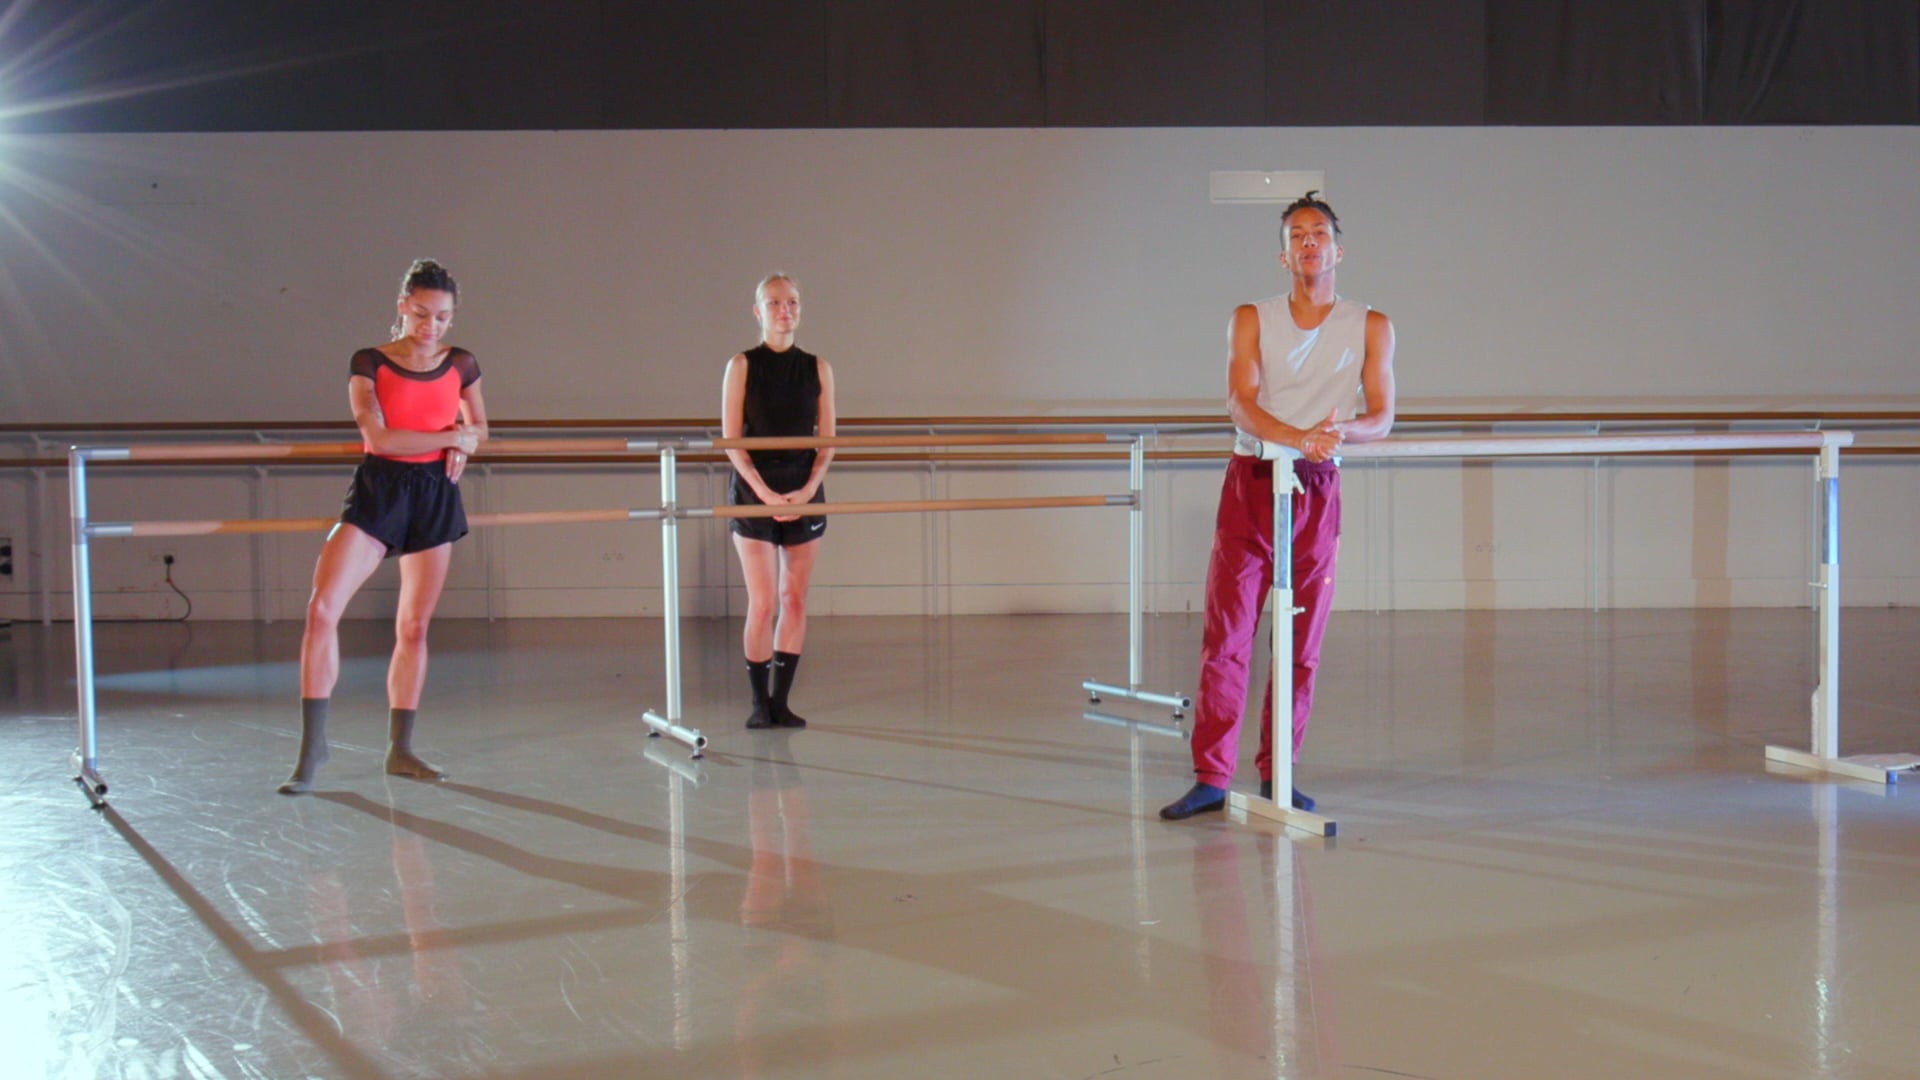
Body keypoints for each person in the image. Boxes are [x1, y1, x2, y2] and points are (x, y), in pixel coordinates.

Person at [1160, 192, 1396, 820]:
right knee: (1228, 636)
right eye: (1297, 235)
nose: (1309, 242)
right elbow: (1240, 402)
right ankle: (1212, 774)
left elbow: (1383, 417)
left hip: (1317, 487)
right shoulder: (1251, 318)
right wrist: (1298, 438)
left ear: (1338, 249)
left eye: (1319, 232)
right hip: (1254, 481)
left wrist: (1335, 436)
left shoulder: (1371, 324)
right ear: (1283, 254)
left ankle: (1277, 772)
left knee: (1300, 644)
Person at [279, 259, 487, 794]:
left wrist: (466, 434)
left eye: (443, 317)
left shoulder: (460, 363)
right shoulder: (370, 361)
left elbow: (481, 426)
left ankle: (401, 749)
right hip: (381, 489)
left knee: (414, 627)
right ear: (402, 306)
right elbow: (381, 438)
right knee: (321, 611)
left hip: (435, 494)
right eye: (422, 313)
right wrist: (450, 439)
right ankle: (311, 749)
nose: (432, 326)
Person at [722, 273, 837, 729]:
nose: (784, 310)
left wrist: (808, 490)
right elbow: (732, 439)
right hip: (754, 487)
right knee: (764, 600)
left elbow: (826, 439)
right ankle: (757, 702)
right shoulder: (742, 365)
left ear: (800, 309)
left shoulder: (818, 367)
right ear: (758, 311)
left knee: (794, 598)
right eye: (774, 303)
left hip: (804, 484)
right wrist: (765, 492)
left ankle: (781, 701)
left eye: (791, 302)